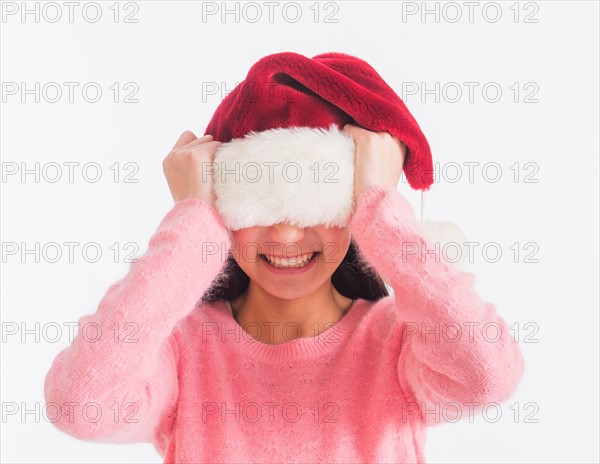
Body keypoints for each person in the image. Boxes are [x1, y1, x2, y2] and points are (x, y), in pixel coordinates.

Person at [44, 52, 525, 463]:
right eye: (259, 205)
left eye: (313, 204)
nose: (287, 232)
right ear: (223, 209)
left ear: (352, 207)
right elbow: (80, 404)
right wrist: (191, 225)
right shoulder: (182, 352)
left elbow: (486, 375)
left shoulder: (399, 344)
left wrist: (383, 211)